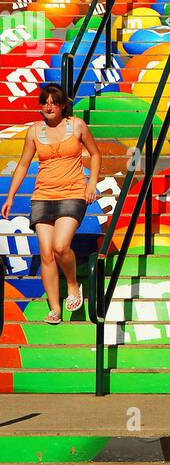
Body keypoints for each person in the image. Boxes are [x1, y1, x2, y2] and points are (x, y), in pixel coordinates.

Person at [1, 83, 101, 324]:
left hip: (72, 192)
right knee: (46, 253)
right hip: (43, 195)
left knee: (60, 246)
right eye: (45, 102)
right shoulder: (34, 131)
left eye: (54, 102)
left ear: (63, 105)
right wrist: (11, 196)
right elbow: (23, 164)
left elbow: (96, 154)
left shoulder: (77, 125)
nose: (49, 106)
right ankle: (55, 308)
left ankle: (72, 284)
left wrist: (92, 184)